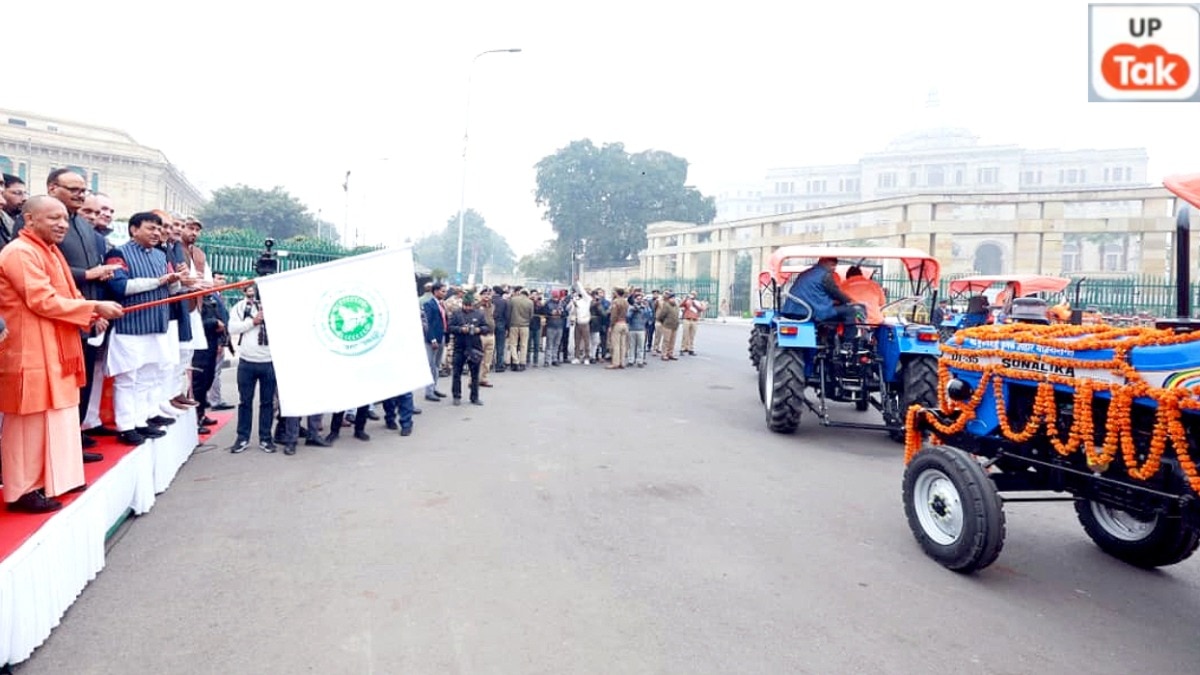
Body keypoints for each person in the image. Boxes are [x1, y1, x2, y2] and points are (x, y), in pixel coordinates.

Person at [0, 196, 124, 513]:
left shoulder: (49, 253)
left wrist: (90, 315)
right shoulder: (19, 252)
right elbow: (43, 300)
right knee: (28, 424)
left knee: (56, 417)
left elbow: (69, 295)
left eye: (65, 220)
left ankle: (48, 481)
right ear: (29, 220)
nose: (62, 224)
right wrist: (93, 307)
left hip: (54, 347)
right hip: (28, 350)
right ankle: (21, 490)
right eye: (53, 218)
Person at [783, 256, 859, 324]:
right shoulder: (825, 275)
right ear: (823, 262)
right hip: (810, 312)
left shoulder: (806, 273)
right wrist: (848, 300)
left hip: (791, 310)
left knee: (835, 310)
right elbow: (835, 292)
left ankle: (828, 334)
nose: (834, 268)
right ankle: (847, 339)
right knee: (850, 311)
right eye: (832, 265)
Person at [448, 291, 490, 405]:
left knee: (475, 374)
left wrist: (478, 330)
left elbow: (486, 327)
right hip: (460, 347)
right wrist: (461, 329)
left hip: (474, 347)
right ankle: (456, 396)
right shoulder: (456, 313)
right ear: (463, 304)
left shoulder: (479, 314)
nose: (468, 308)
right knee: (457, 373)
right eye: (466, 305)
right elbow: (450, 327)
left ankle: (474, 397)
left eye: (470, 305)